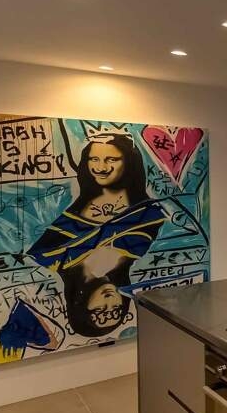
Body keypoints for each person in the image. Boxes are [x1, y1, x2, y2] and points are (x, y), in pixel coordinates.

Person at [27, 133, 167, 337]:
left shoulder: (148, 215)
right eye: (94, 159)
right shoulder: (71, 220)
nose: (101, 168)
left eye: (112, 159)